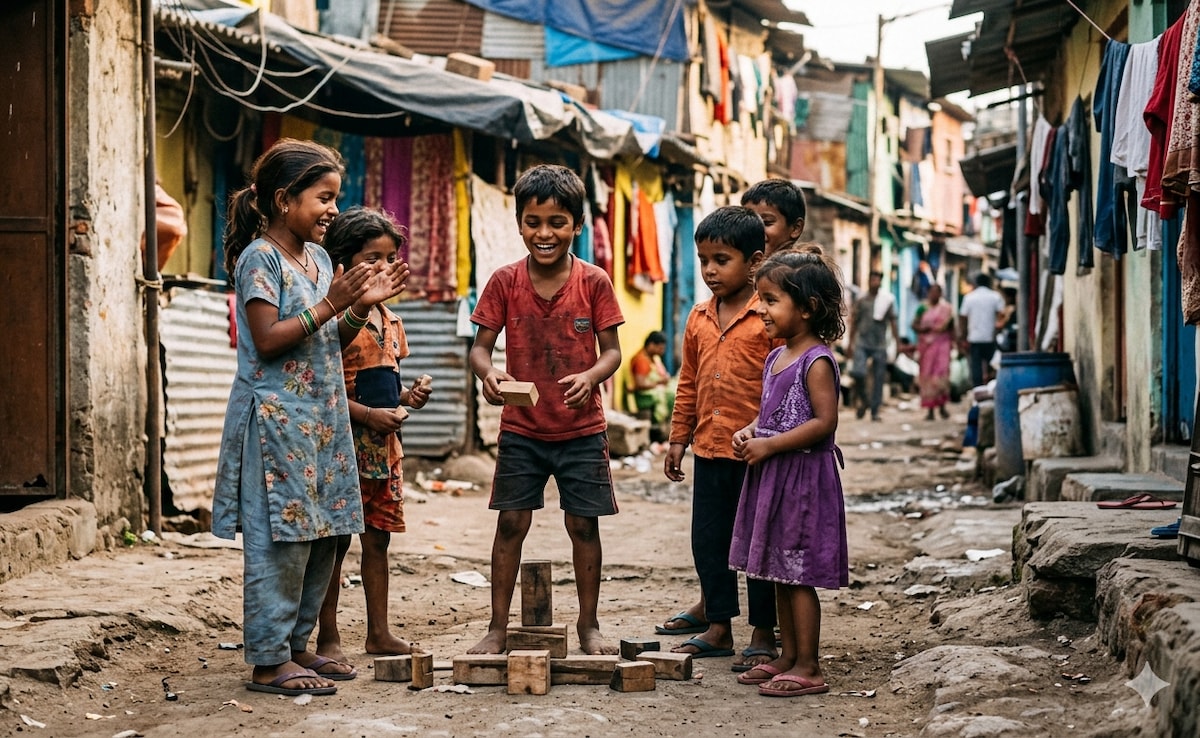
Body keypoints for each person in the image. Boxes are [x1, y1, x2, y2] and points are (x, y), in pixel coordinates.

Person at [211, 139, 408, 697]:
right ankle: (269, 661)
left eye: (335, 198)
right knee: (283, 542)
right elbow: (269, 340)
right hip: (277, 424)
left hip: (323, 420)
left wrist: (361, 307)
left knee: (324, 534)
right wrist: (332, 303)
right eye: (322, 198)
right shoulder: (260, 258)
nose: (332, 210)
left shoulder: (320, 259)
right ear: (282, 199)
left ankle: (299, 647)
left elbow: (327, 336)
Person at [467, 164, 624, 656]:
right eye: (533, 222)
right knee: (511, 523)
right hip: (522, 428)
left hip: (582, 429)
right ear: (519, 224)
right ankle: (496, 627)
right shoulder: (505, 281)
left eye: (557, 222)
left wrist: (591, 376)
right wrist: (489, 375)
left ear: (577, 224)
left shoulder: (594, 281)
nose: (544, 233)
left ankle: (589, 626)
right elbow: (479, 349)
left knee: (583, 525)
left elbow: (612, 351)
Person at [662, 206, 779, 673]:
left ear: (753, 262)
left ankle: (763, 632)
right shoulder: (697, 316)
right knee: (709, 541)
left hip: (756, 454)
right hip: (709, 448)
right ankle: (718, 626)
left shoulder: (767, 317)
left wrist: (771, 434)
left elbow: (780, 384)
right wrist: (677, 437)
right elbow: (688, 380)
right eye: (704, 259)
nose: (710, 270)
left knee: (757, 546)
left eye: (721, 260)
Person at [729, 246, 849, 697]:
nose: (759, 308)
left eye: (771, 299)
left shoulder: (816, 360)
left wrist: (770, 444)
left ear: (808, 308)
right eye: (760, 298)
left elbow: (823, 424)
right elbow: (773, 414)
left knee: (798, 574)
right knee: (779, 570)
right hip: (775, 477)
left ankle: (810, 666)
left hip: (802, 481)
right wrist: (750, 431)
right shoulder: (775, 357)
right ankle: (788, 656)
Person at [315, 207, 433, 663]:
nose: (385, 267)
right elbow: (321, 390)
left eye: (390, 258)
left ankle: (378, 633)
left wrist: (407, 397)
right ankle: (328, 636)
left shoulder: (391, 321)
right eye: (373, 258)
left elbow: (382, 382)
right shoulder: (337, 317)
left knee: (378, 541)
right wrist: (367, 416)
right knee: (335, 544)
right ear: (342, 262)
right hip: (342, 448)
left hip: (384, 451)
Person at [847, 271, 898, 421]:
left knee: (878, 378)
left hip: (879, 343)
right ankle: (864, 401)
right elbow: (854, 321)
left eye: (877, 279)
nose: (875, 282)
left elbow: (893, 322)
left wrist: (898, 342)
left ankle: (874, 410)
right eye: (873, 279)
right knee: (858, 373)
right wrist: (850, 343)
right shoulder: (862, 300)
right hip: (862, 342)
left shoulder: (886, 300)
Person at [912, 283, 954, 420]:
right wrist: (924, 329)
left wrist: (957, 342)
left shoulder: (946, 309)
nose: (934, 295)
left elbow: (952, 327)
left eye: (937, 292)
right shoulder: (922, 308)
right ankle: (930, 409)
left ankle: (942, 407)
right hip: (927, 347)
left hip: (942, 346)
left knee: (941, 375)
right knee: (928, 376)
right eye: (932, 292)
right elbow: (914, 324)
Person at [958, 273, 1006, 387]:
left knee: (976, 368)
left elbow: (963, 318)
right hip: (990, 337)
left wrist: (963, 336)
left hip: (974, 338)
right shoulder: (995, 296)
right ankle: (993, 388)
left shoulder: (969, 297)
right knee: (994, 366)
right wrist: (997, 328)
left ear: (976, 283)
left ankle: (978, 391)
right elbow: (1002, 315)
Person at [740, 179, 806, 255]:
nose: (755, 231)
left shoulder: (802, 266)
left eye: (767, 222)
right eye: (749, 223)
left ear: (796, 228)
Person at [629, 330, 674, 442]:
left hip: (654, 390)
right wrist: (659, 383)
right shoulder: (641, 360)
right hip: (644, 396)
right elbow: (640, 384)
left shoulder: (654, 359)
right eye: (660, 348)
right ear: (651, 345)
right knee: (672, 395)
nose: (662, 351)